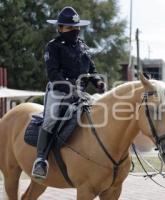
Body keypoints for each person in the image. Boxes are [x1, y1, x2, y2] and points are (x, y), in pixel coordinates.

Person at [32, 6, 106, 179]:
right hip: (59, 91)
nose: (74, 30)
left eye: (76, 27)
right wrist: (69, 87)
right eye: (69, 27)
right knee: (50, 120)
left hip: (81, 93)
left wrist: (98, 82)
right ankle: (41, 160)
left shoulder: (83, 47)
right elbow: (53, 73)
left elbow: (92, 69)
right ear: (60, 28)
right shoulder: (53, 46)